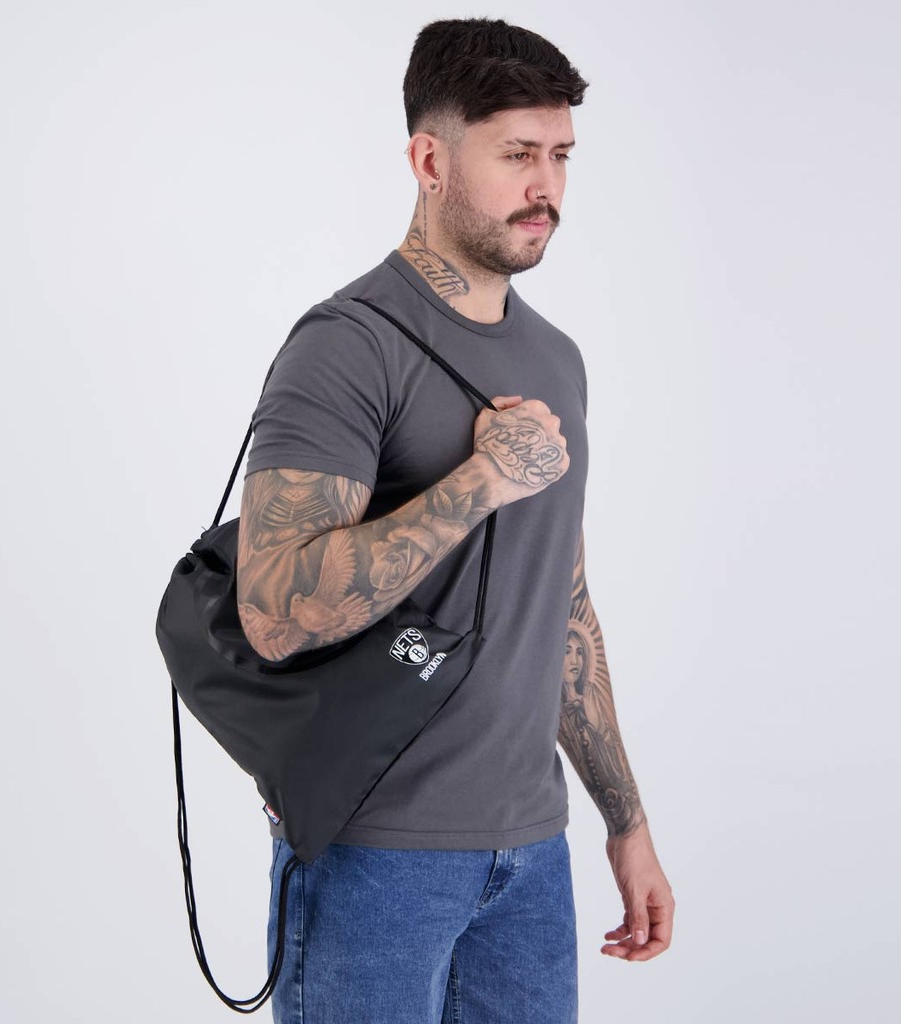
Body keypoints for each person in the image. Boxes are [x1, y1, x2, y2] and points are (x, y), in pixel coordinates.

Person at [234, 17, 674, 1023]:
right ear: (429, 161)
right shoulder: (347, 346)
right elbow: (271, 612)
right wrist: (479, 480)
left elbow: (562, 604)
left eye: (561, 155)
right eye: (517, 155)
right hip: (373, 858)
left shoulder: (556, 358)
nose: (547, 186)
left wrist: (625, 820)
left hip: (532, 858)